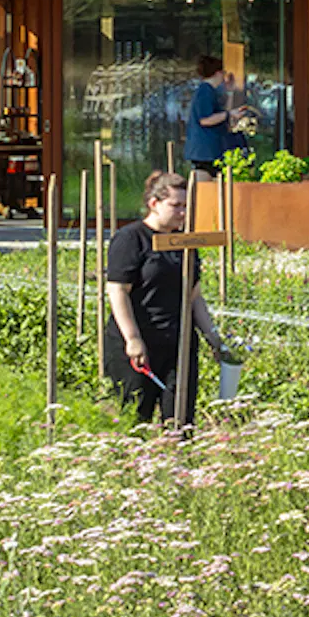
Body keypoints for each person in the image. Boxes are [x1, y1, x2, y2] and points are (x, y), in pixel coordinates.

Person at [101, 169, 245, 426]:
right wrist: (132, 339)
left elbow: (194, 296)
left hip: (179, 345)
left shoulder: (185, 242)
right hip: (139, 346)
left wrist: (214, 339)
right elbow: (118, 291)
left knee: (180, 421)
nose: (183, 212)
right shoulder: (131, 239)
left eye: (185, 206)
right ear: (154, 204)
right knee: (134, 419)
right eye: (175, 206)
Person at [180, 54, 238, 178]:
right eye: (223, 73)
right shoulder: (205, 91)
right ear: (218, 73)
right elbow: (205, 119)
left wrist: (230, 93)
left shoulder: (211, 91)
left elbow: (222, 114)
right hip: (204, 151)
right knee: (204, 187)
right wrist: (229, 114)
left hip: (210, 150)